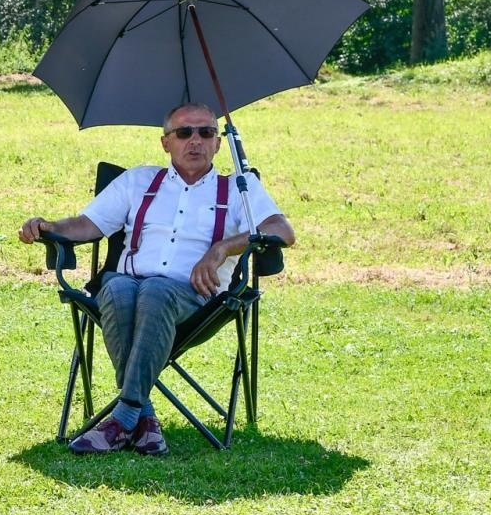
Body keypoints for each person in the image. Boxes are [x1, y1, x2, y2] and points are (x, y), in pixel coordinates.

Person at [18, 102, 296, 455]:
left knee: (156, 290)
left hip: (198, 299)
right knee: (116, 285)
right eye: (184, 133)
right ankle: (141, 417)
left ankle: (123, 418)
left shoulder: (239, 188)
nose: (195, 141)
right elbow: (87, 225)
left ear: (218, 143)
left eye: (206, 132)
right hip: (129, 289)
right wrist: (48, 226)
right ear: (166, 142)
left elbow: (282, 230)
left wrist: (222, 248)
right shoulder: (138, 180)